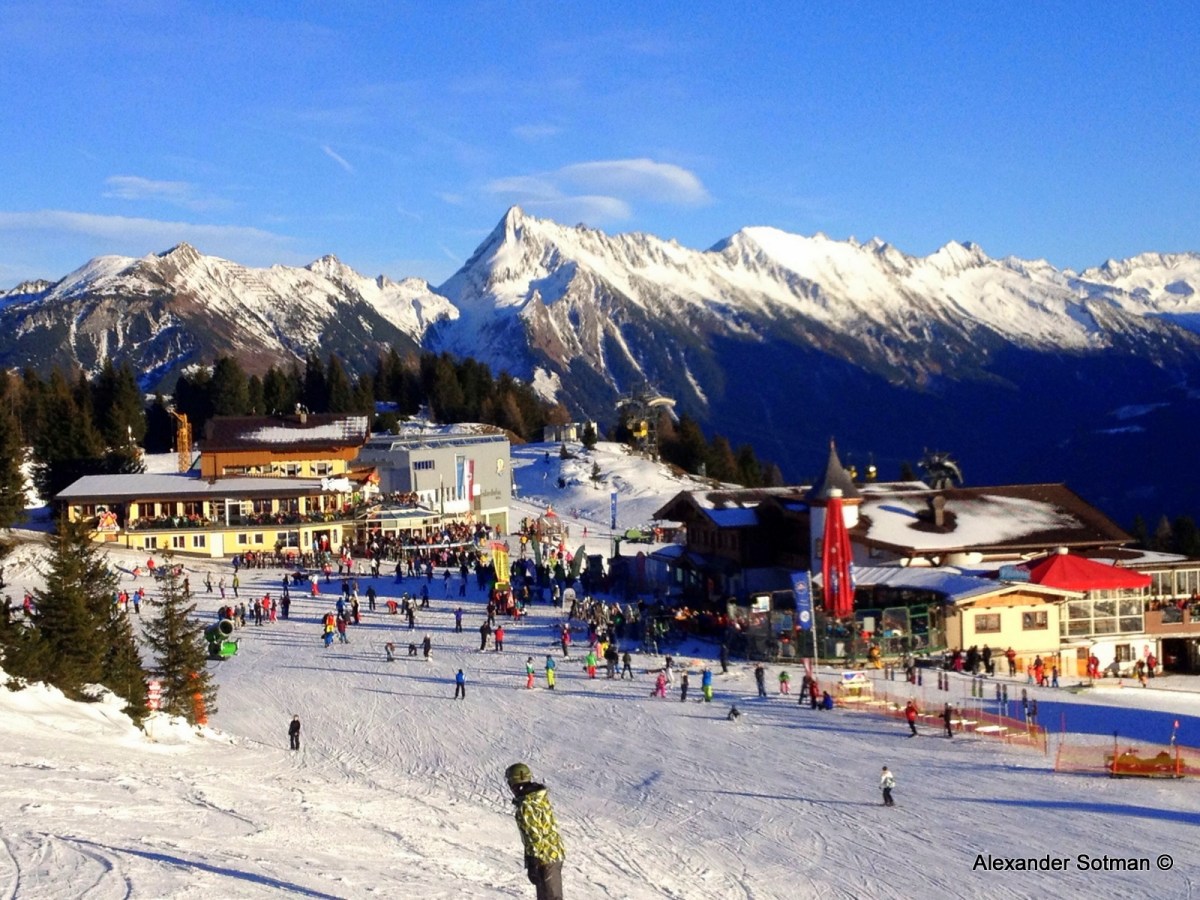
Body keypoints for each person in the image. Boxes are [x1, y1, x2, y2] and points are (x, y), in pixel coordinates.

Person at [505, 762, 566, 900]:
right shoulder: (537, 797)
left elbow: (534, 836)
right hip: (553, 853)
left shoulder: (526, 805)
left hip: (545, 857)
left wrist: (534, 861)